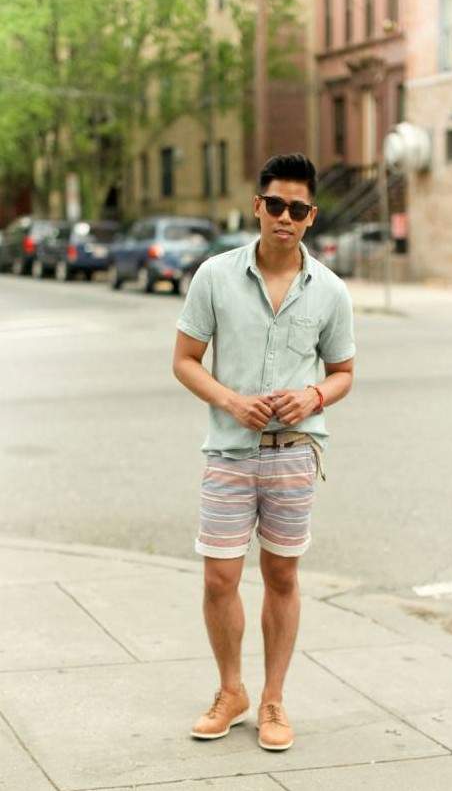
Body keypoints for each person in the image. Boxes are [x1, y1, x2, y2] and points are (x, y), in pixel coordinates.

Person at [172, 153, 355, 751]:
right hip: (229, 452)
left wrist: (314, 396)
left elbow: (344, 372)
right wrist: (231, 401)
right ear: (258, 206)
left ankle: (274, 699)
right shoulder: (215, 277)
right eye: (275, 204)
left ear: (311, 217)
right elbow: (184, 361)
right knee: (219, 577)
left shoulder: (330, 290)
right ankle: (231, 691)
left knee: (281, 575)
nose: (285, 217)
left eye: (297, 209)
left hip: (294, 453)